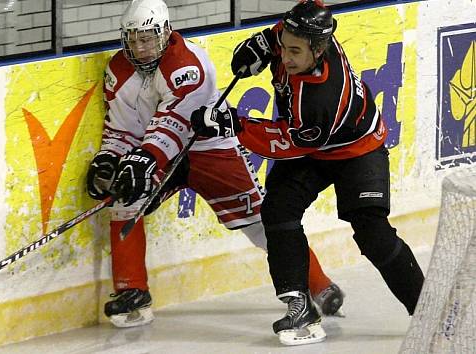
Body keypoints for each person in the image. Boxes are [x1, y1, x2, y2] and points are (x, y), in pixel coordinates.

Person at [86, 0, 345, 329]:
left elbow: (175, 123)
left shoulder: (188, 63)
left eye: (148, 38)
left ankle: (319, 284)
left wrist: (144, 159)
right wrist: (109, 158)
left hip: (208, 149)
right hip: (160, 151)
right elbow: (122, 127)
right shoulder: (119, 70)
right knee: (125, 198)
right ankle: (133, 292)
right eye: (133, 39)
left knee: (261, 222)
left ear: (165, 33)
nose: (141, 47)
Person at [190, 0, 424, 346]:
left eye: (294, 52)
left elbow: (288, 142)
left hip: (356, 150)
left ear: (319, 49)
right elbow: (291, 23)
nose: (285, 57)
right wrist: (262, 43)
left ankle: (425, 305)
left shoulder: (321, 97)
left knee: (372, 233)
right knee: (277, 210)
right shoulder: (301, 38)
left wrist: (232, 123)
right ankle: (300, 305)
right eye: (284, 47)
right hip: (309, 143)